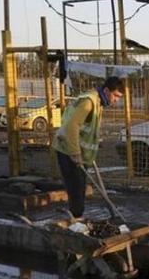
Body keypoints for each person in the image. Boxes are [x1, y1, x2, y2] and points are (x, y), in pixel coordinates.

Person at [52, 76, 125, 218]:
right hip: (67, 149)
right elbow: (72, 126)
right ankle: (77, 221)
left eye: (119, 97)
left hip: (78, 151)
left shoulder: (98, 101)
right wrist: (75, 153)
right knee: (76, 188)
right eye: (115, 95)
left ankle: (78, 218)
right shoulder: (89, 102)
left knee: (80, 187)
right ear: (106, 90)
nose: (116, 100)